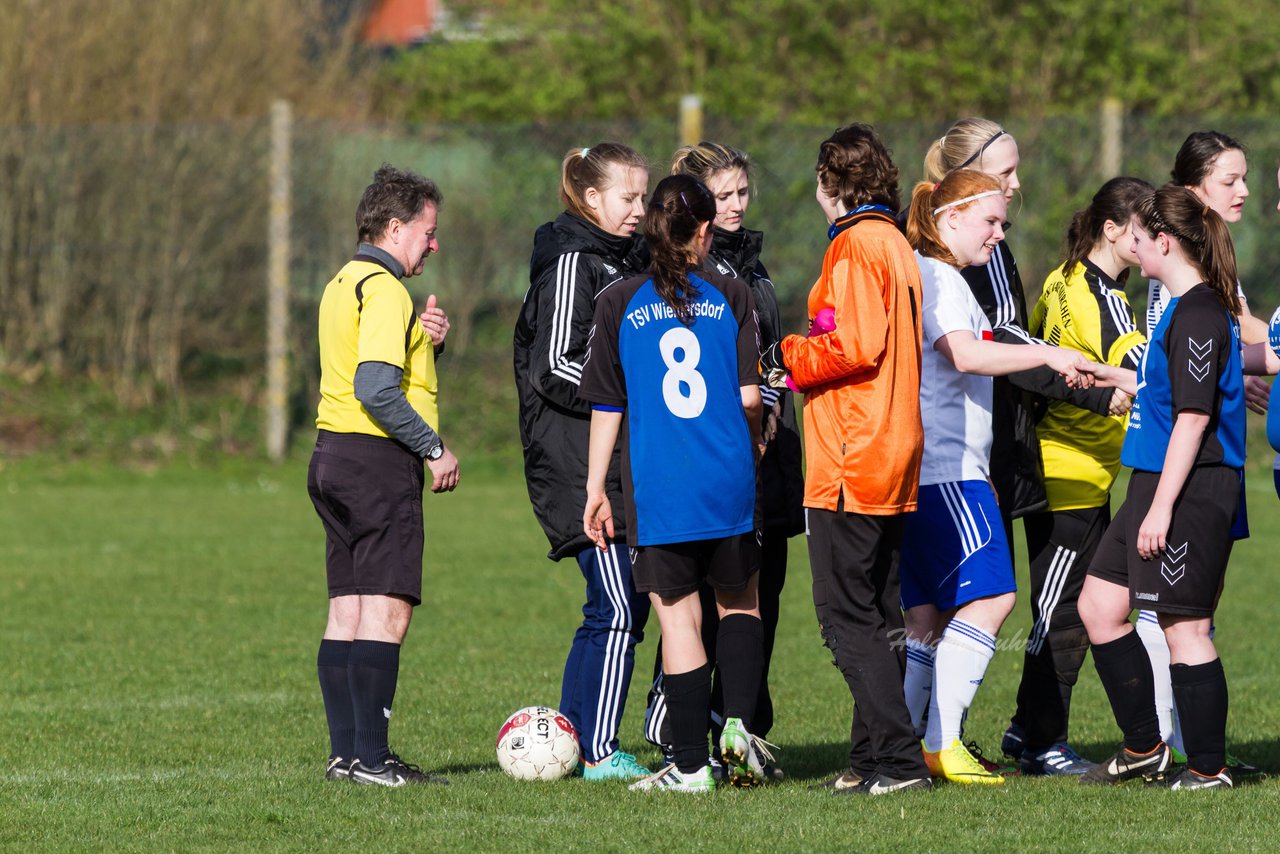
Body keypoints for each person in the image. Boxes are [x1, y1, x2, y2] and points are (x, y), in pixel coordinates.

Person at [922, 118, 1117, 766]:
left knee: (1048, 599)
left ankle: (1021, 736)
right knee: (963, 600)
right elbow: (993, 348)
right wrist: (1089, 384)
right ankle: (928, 741)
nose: (1017, 185)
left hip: (1013, 442)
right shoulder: (943, 261)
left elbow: (1014, 340)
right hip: (964, 455)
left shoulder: (993, 247)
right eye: (1004, 173)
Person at [1076, 184, 1271, 789]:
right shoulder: (1181, 310)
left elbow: (1193, 420)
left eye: (1138, 236)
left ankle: (1208, 768)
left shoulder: (1202, 313)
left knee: (1184, 628)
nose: (1130, 245)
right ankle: (1143, 749)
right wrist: (1111, 374)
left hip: (1190, 490)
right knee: (1099, 606)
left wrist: (1161, 509)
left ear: (1163, 242)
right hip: (1154, 481)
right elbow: (1166, 395)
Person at [899, 170, 1089, 785]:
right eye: (991, 221)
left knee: (926, 616)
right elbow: (968, 354)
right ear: (951, 217)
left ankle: (902, 746)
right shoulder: (943, 277)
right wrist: (1047, 353)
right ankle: (941, 742)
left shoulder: (927, 273)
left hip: (929, 471)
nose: (999, 233)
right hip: (952, 472)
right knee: (994, 598)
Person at [580, 174, 767, 793]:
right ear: (706, 230)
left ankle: (690, 766)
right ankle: (738, 731)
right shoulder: (732, 293)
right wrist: (758, 436)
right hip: (729, 478)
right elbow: (747, 397)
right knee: (740, 603)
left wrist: (595, 489)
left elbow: (607, 404)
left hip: (660, 487)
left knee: (679, 623)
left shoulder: (618, 300)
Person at [760, 123, 931, 796]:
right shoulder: (894, 242)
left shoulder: (858, 245)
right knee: (879, 610)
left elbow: (855, 344)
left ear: (828, 184)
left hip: (852, 451)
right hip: (891, 444)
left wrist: (788, 357)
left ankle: (897, 759)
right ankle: (869, 757)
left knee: (842, 615)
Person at [642, 142, 804, 778]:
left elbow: (767, 367)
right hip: (716, 454)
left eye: (743, 192)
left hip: (766, 456)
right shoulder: (683, 279)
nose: (737, 206)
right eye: (724, 196)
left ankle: (743, 727)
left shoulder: (753, 273)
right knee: (693, 606)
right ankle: (680, 730)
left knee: (761, 596)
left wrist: (784, 385)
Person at [308, 164, 460, 786]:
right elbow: (375, 387)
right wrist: (433, 447)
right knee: (388, 608)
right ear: (395, 227)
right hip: (375, 462)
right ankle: (373, 756)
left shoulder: (343, 281)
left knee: (346, 607)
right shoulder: (388, 289)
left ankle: (347, 755)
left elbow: (367, 362)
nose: (433, 243)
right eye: (427, 230)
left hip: (330, 456)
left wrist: (425, 342)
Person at [1003, 178, 1154, 776]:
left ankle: (1025, 731)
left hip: (1064, 468)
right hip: (1071, 477)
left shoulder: (1063, 277)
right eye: (1146, 234)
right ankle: (1042, 742)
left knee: (1066, 606)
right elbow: (1141, 373)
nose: (1154, 245)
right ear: (1113, 231)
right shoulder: (1110, 304)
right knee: (1060, 613)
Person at [513, 143, 653, 781]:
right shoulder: (576, 262)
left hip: (616, 459)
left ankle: (572, 738)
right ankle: (598, 750)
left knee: (619, 605)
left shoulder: (622, 260)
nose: (639, 210)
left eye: (644, 197)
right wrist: (637, 399)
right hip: (574, 462)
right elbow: (556, 367)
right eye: (628, 198)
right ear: (591, 198)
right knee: (618, 604)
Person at [1136, 132, 1271, 770]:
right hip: (1184, 465)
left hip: (1214, 463)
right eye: (1230, 180)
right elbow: (1190, 353)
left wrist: (1251, 363)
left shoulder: (1213, 266)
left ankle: (1192, 749)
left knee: (1191, 610)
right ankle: (1175, 747)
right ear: (1194, 191)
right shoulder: (1182, 277)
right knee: (1168, 611)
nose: (1244, 191)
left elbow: (1228, 346)